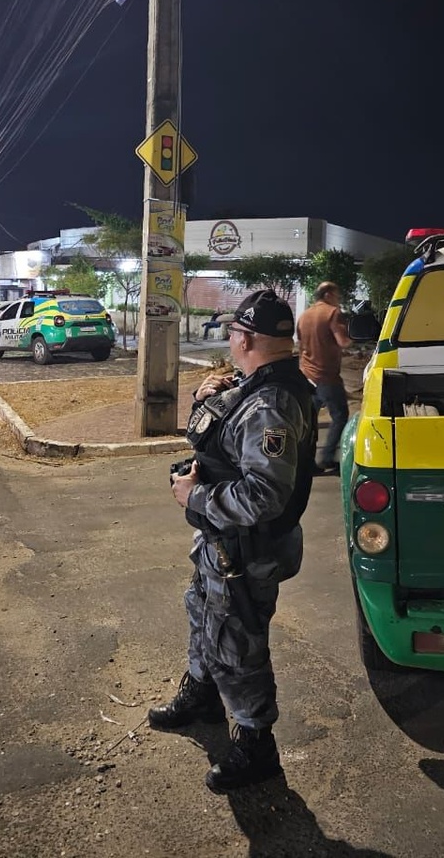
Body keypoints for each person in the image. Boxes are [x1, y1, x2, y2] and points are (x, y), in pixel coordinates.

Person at [150, 288, 317, 793]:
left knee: (239, 641)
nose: (228, 338)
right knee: (205, 613)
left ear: (247, 338)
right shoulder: (259, 385)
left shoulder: (272, 402)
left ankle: (256, 744)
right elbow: (220, 435)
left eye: (232, 332)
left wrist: (195, 497)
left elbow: (264, 495)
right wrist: (209, 396)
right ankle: (202, 695)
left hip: (249, 548)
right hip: (225, 545)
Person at [296, 281, 352, 475]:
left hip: (307, 376)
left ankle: (305, 461)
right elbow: (343, 342)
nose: (338, 299)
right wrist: (356, 337)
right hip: (327, 377)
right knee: (340, 416)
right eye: (336, 295)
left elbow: (301, 344)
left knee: (308, 423)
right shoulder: (332, 313)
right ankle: (327, 457)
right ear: (328, 294)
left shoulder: (304, 316)